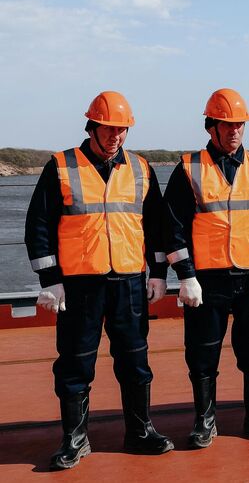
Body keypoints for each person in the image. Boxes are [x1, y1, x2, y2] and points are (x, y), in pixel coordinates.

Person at [24, 91, 174, 469]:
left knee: (135, 360)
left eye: (122, 130)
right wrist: (50, 279)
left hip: (128, 283)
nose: (115, 136)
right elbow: (38, 225)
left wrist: (159, 274)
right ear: (92, 126)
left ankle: (140, 432)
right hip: (79, 285)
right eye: (108, 128)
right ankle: (75, 440)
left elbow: (157, 226)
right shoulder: (61, 166)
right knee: (75, 363)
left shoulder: (140, 169)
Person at [162, 89, 249, 447]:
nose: (234, 131)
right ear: (211, 127)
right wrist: (185, 276)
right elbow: (172, 228)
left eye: (239, 125)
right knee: (203, 352)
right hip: (207, 279)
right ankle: (205, 420)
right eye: (226, 125)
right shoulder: (189, 168)